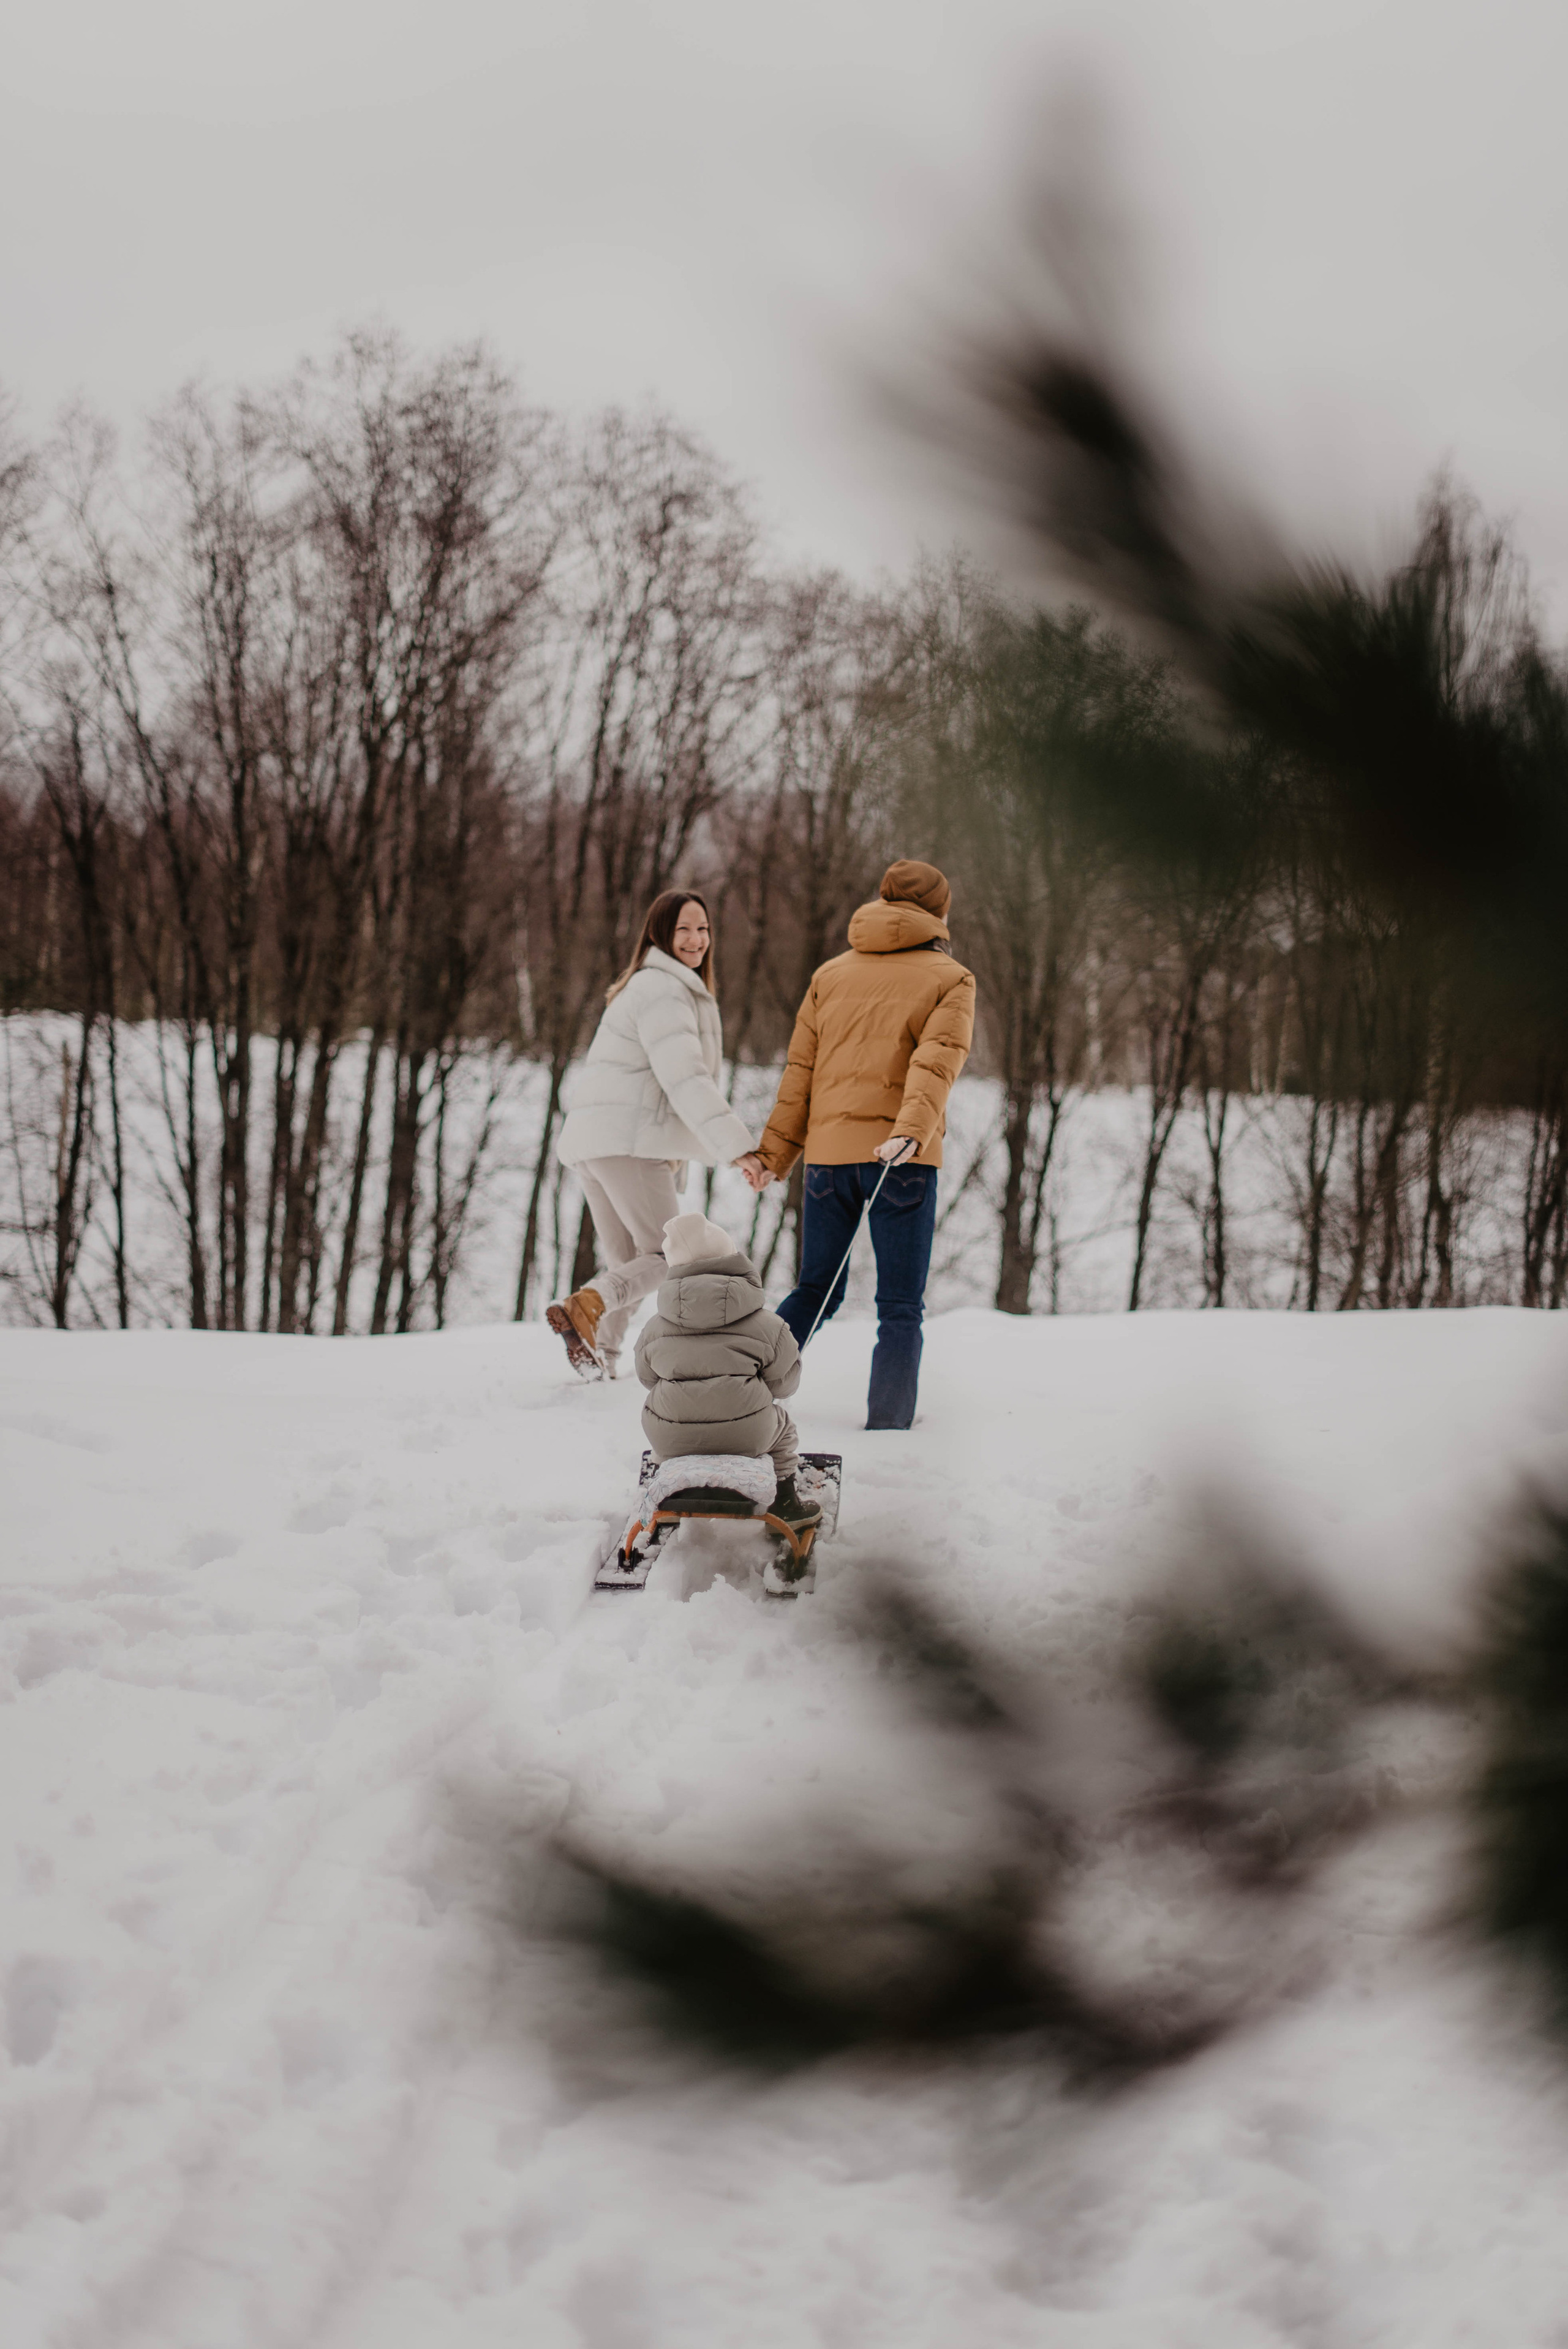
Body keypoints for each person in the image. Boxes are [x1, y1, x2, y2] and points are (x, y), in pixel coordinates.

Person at [754, 859, 975, 1429]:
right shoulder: (951, 978)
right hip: (900, 1159)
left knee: (815, 1290)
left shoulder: (829, 975)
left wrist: (774, 1155)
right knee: (900, 1308)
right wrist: (908, 1132)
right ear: (939, 912)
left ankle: (741, 1393)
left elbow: (800, 1071)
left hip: (827, 1161)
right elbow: (936, 1063)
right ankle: (889, 1433)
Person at [549, 891, 766, 1379]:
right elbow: (686, 1078)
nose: (696, 940)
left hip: (598, 1142)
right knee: (669, 1257)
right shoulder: (665, 990)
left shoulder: (643, 986)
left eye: (703, 929)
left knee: (627, 1261)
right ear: (659, 935)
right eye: (684, 929)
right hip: (630, 1143)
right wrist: (739, 1148)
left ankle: (599, 1359)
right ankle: (590, 1303)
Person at [634, 1211, 820, 1534]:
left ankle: (672, 1491)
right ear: (733, 1261)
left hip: (670, 1439)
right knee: (783, 1426)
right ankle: (786, 1503)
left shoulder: (654, 1328)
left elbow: (647, 1379)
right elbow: (784, 1384)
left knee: (661, 1409)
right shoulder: (766, 1324)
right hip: (749, 1437)